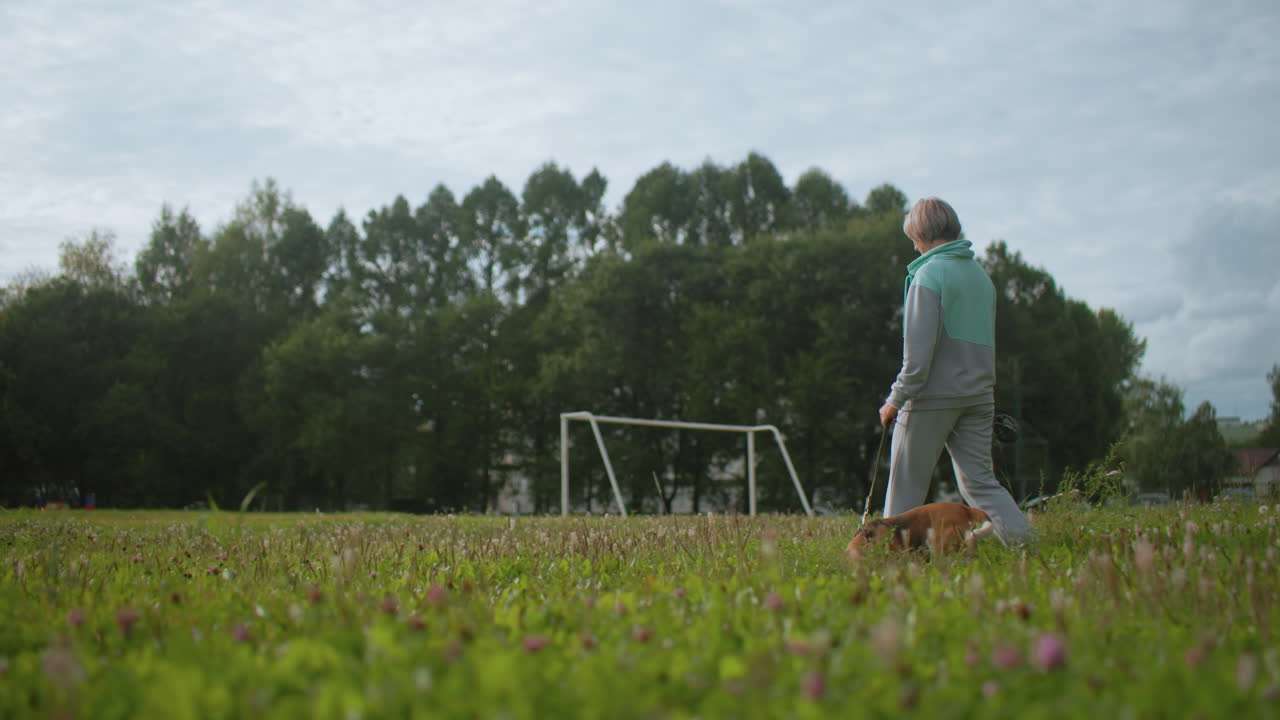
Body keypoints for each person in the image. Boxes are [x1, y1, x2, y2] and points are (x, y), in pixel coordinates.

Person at [878, 197, 1034, 546]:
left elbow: (917, 358)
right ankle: (1027, 545)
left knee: (906, 485)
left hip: (931, 397)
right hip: (978, 396)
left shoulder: (929, 275)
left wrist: (894, 400)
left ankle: (890, 558)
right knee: (980, 482)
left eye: (912, 238)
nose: (913, 246)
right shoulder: (981, 277)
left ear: (922, 234)